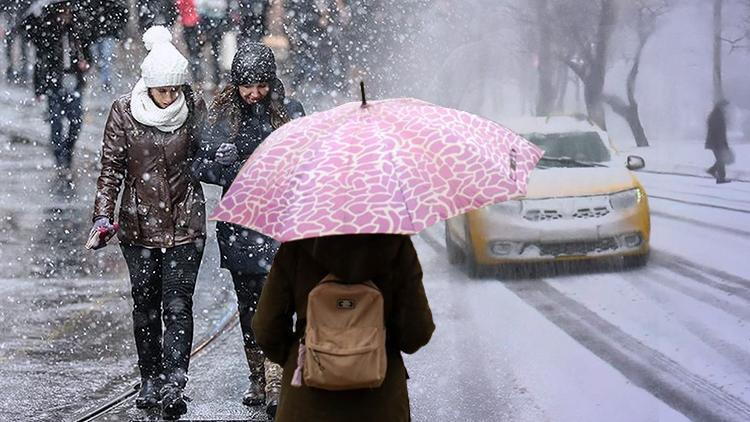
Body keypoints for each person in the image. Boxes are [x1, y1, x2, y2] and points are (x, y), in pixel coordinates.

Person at [90, 26, 207, 419]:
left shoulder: (195, 107)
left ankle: (175, 379)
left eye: (175, 89)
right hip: (138, 228)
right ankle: (150, 377)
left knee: (177, 305)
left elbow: (205, 155)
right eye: (163, 90)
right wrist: (103, 216)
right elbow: (111, 169)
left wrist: (218, 158)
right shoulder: (124, 110)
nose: (170, 96)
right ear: (148, 86)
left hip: (185, 225)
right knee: (145, 306)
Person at [193, 41, 304, 418]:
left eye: (260, 85)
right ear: (235, 84)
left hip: (278, 222)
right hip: (240, 225)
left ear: (271, 82)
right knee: (249, 305)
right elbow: (200, 167)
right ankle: (257, 376)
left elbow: (302, 165)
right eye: (246, 86)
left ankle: (276, 380)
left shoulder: (289, 114)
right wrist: (221, 164)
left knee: (279, 301)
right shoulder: (221, 116)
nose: (254, 93)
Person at [252, 234, 435, 422]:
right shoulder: (397, 246)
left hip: (306, 404)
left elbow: (266, 328)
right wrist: (376, 346)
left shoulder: (296, 245)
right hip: (380, 402)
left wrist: (303, 357)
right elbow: (417, 333)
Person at [28, 3, 90, 171]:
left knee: (76, 121)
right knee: (56, 122)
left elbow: (87, 51)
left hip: (74, 82)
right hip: (54, 83)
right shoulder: (46, 31)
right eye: (62, 11)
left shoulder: (77, 30)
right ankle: (59, 155)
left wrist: (85, 63)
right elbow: (39, 61)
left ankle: (68, 149)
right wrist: (39, 89)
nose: (65, 15)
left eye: (68, 11)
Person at [196, 0, 229, 87]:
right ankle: (204, 79)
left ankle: (215, 80)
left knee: (214, 55)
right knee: (207, 54)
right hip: (209, 23)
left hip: (214, 23)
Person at [706, 100, 733, 184]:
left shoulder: (717, 114)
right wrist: (722, 144)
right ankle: (720, 178)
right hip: (717, 142)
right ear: (721, 106)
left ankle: (713, 171)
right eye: (725, 106)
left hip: (717, 142)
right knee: (721, 159)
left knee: (721, 159)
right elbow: (718, 131)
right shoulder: (717, 116)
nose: (726, 108)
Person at [176, 0, 203, 84]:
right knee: (195, 52)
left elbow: (179, 9)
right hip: (194, 25)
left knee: (192, 52)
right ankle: (197, 76)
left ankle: (196, 76)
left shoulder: (181, 2)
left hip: (188, 25)